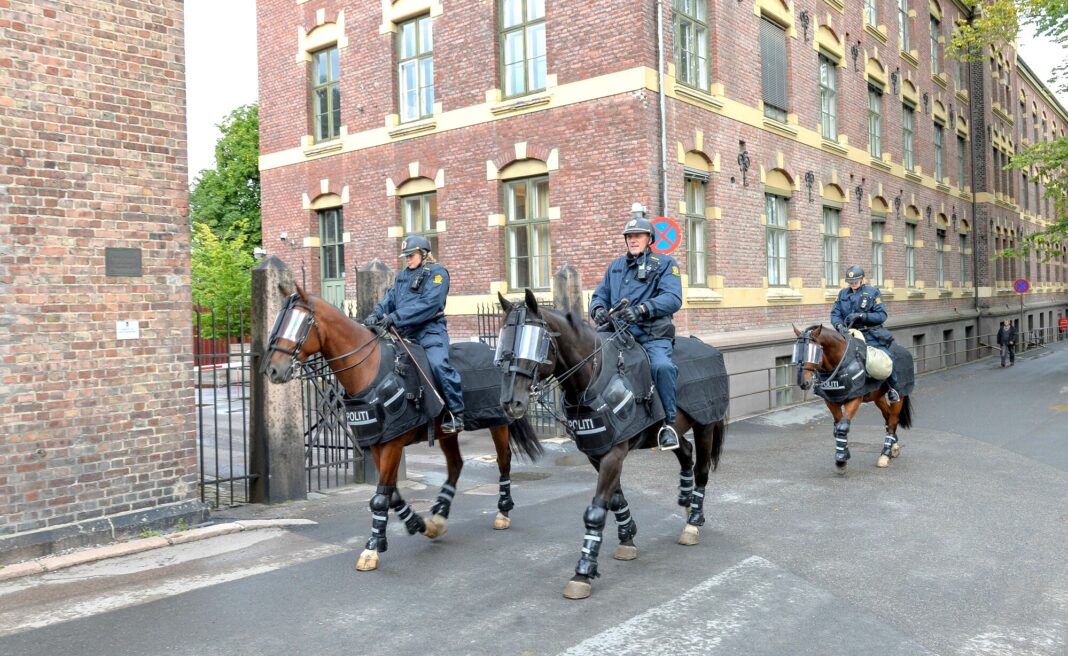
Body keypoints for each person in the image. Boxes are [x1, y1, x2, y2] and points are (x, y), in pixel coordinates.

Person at [589, 203, 683, 450]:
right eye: (629, 236)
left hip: (652, 335)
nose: (633, 240)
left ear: (649, 238)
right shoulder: (616, 267)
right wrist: (597, 310)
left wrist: (642, 310)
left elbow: (673, 299)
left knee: (662, 367)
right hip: (618, 333)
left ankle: (668, 425)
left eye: (638, 236)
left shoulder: (665, 263)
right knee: (588, 358)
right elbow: (600, 295)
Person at [365, 235, 465, 433]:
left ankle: (456, 413)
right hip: (404, 333)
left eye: (411, 255)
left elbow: (430, 304)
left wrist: (394, 317)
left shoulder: (437, 273)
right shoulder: (402, 275)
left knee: (438, 365)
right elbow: (389, 299)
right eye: (406, 256)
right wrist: (375, 314)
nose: (408, 259)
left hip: (430, 331)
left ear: (424, 254)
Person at [830, 265, 901, 404]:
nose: (853, 284)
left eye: (855, 281)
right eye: (850, 282)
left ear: (862, 279)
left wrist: (862, 316)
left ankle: (893, 388)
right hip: (849, 334)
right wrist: (838, 325)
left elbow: (882, 315)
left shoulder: (873, 292)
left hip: (870, 333)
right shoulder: (842, 294)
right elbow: (835, 313)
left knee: (887, 357)